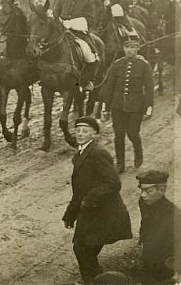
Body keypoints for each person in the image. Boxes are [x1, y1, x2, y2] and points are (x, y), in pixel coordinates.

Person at [62, 117, 132, 285]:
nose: (80, 134)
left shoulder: (98, 152)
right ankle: (95, 282)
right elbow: (80, 189)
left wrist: (89, 199)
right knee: (84, 250)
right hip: (93, 212)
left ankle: (95, 282)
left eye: (85, 131)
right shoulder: (82, 152)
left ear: (94, 134)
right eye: (78, 130)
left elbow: (114, 183)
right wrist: (70, 214)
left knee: (83, 250)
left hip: (104, 213)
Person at [100, 35, 153, 173]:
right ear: (123, 48)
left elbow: (149, 89)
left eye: (133, 47)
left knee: (132, 133)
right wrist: (106, 108)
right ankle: (120, 164)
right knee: (118, 135)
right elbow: (109, 87)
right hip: (117, 107)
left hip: (136, 107)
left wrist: (149, 109)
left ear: (138, 49)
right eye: (127, 47)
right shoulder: (117, 65)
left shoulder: (144, 66)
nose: (130, 50)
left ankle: (138, 152)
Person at [52, 0, 99, 90]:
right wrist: (57, 21)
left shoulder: (88, 1)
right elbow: (55, 14)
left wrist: (72, 23)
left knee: (89, 53)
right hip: (61, 31)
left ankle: (86, 80)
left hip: (78, 32)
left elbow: (90, 20)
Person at [136, 169, 180, 283]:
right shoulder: (143, 202)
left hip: (165, 267)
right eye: (141, 190)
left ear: (162, 190)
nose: (143, 195)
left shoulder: (175, 216)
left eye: (148, 191)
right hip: (148, 260)